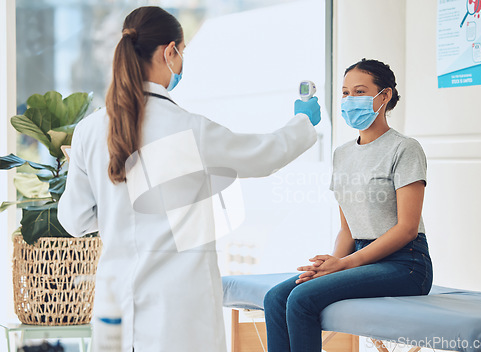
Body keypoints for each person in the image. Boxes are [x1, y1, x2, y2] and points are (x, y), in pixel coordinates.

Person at [57, 6, 321, 352]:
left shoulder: (89, 131)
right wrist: (303, 122)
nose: (181, 63)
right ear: (169, 51)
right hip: (178, 312)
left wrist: (111, 205)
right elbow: (262, 155)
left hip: (116, 307)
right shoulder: (187, 128)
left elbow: (74, 220)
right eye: (181, 53)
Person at [263, 59, 433, 352]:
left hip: (405, 263)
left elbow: (406, 229)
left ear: (385, 95)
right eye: (345, 93)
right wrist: (330, 265)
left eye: (359, 91)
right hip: (359, 257)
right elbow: (347, 230)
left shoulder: (404, 149)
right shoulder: (342, 154)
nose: (349, 100)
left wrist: (343, 265)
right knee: (276, 298)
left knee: (302, 299)